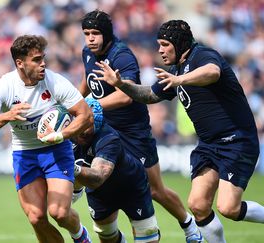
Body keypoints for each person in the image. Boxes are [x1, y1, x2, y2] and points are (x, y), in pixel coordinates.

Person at [95, 19, 264, 243]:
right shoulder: (175, 71)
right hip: (208, 144)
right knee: (198, 205)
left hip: (236, 141)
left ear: (178, 42)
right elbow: (149, 95)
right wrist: (121, 84)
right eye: (159, 44)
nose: (160, 50)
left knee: (228, 208)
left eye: (165, 44)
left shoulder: (202, 55)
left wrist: (180, 80)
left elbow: (213, 72)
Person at [78, 10, 201, 242]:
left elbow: (127, 96)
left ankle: (189, 226)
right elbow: (88, 80)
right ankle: (111, 232)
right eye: (86, 33)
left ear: (105, 33)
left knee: (155, 190)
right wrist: (75, 102)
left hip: (133, 133)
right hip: (105, 131)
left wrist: (90, 106)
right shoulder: (87, 52)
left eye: (95, 33)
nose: (90, 38)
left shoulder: (121, 56)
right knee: (103, 182)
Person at [0, 35, 93, 243]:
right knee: (36, 218)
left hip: (56, 151)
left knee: (59, 213)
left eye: (43, 58)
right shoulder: (4, 87)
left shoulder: (55, 82)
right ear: (20, 63)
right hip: (25, 153)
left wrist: (61, 135)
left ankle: (80, 236)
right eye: (37, 59)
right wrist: (7, 115)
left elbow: (85, 115)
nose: (43, 63)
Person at [73, 97, 160, 243]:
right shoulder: (66, 135)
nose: (83, 130)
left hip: (130, 186)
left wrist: (71, 168)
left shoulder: (108, 138)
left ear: (97, 122)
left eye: (88, 124)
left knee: (147, 233)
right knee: (107, 236)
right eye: (80, 123)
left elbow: (98, 177)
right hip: (99, 193)